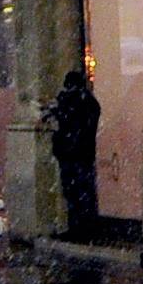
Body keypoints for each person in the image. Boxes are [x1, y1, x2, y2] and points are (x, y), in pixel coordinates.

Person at [43, 70, 103, 238]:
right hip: (81, 154)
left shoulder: (74, 102)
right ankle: (84, 227)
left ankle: (79, 228)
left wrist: (58, 111)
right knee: (81, 191)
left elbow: (69, 122)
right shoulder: (88, 102)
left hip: (73, 154)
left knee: (74, 192)